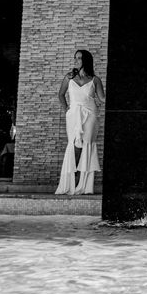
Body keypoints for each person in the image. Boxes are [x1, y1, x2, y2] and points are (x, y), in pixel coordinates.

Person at [55, 49, 106, 195]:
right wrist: (66, 110)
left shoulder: (95, 80)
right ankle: (72, 179)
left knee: (86, 145)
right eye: (75, 58)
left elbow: (102, 98)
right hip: (73, 115)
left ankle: (83, 184)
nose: (76, 60)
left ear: (86, 60)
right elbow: (61, 94)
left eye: (79, 58)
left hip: (90, 115)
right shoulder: (69, 78)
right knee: (75, 145)